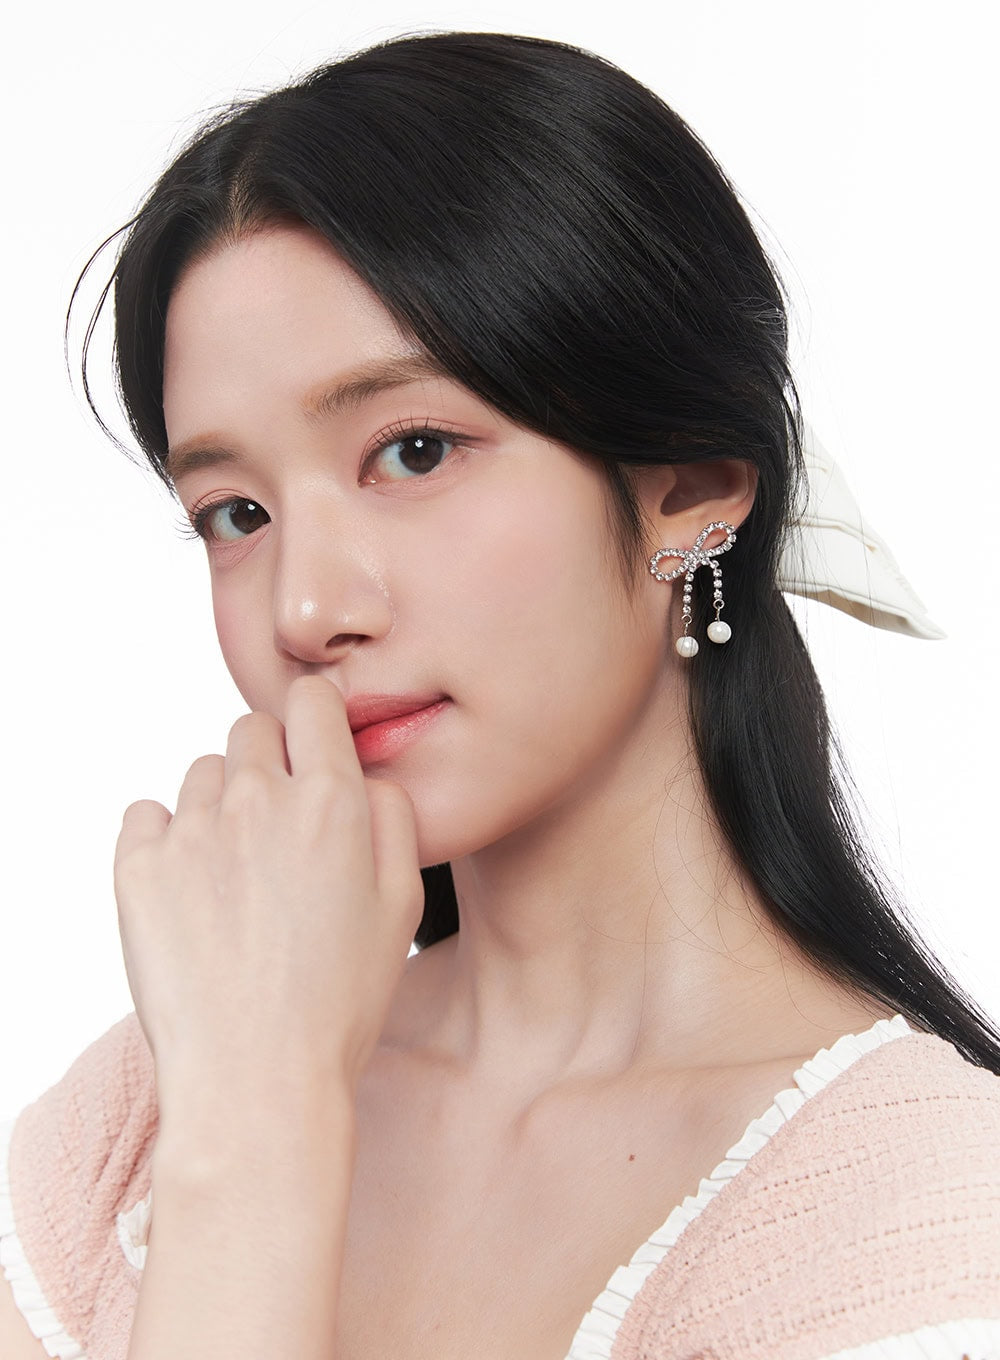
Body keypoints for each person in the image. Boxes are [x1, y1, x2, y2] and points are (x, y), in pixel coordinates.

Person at [2, 29, 998, 1360]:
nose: (304, 610)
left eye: (413, 451)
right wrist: (250, 1108)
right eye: (234, 511)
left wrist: (254, 1146)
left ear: (691, 489)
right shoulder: (155, 1103)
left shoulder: (916, 1217)